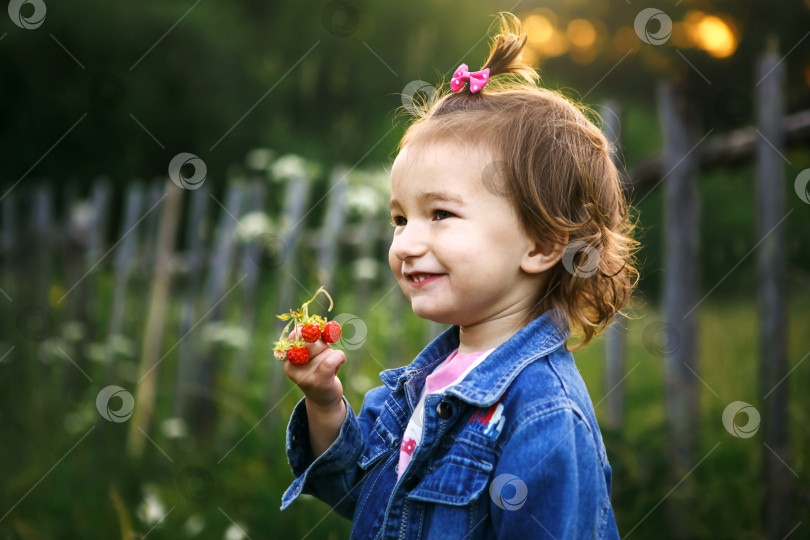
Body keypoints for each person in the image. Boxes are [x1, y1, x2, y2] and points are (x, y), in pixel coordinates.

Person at [280, 11, 639, 539]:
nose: (406, 243)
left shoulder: (543, 416)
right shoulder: (425, 381)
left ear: (541, 244)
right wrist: (325, 402)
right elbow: (359, 494)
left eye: (440, 214)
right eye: (399, 219)